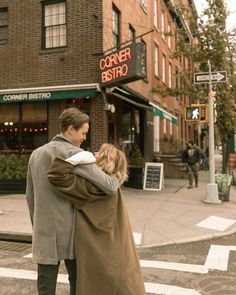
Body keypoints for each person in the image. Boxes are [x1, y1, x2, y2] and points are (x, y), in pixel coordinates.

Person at [26, 108, 120, 295]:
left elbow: (30, 196)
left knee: (45, 285)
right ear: (70, 129)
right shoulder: (75, 154)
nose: (85, 137)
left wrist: (37, 224)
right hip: (71, 232)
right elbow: (109, 186)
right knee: (77, 281)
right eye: (83, 132)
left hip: (44, 228)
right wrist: (117, 173)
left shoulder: (36, 154)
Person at [47, 143, 146, 295]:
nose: (93, 152)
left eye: (99, 152)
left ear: (105, 159)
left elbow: (55, 174)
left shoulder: (86, 187)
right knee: (120, 283)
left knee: (93, 284)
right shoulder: (114, 184)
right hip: (116, 243)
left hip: (90, 245)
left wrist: (75, 161)